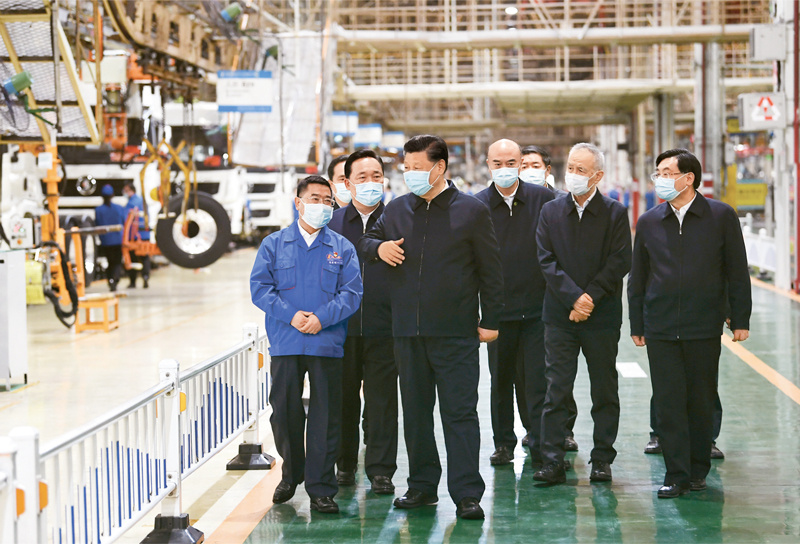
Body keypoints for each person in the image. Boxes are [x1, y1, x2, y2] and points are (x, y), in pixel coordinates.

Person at [358, 134, 504, 520]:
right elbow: (366, 240)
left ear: (439, 168)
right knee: (416, 414)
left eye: (418, 168)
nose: (410, 174)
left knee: (460, 414)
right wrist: (378, 248)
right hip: (407, 333)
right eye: (406, 168)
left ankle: (467, 493)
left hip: (455, 333)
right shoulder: (397, 209)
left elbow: (491, 270)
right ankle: (422, 486)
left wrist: (491, 320)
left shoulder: (471, 211)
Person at [628, 148, 751, 498]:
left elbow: (736, 270)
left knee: (700, 400)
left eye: (667, 173)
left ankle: (698, 470)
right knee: (668, 403)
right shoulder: (650, 221)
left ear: (688, 178)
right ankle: (676, 474)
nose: (660, 179)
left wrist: (740, 318)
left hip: (703, 324)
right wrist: (637, 323)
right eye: (658, 173)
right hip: (661, 325)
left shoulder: (720, 216)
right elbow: (638, 276)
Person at [250, 175, 362, 514]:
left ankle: (321, 486)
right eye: (315, 198)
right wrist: (291, 315)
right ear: (298, 202)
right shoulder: (274, 244)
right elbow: (260, 288)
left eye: (328, 200)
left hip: (326, 342)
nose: (322, 205)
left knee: (326, 416)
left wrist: (322, 319)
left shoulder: (342, 248)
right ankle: (292, 473)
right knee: (284, 412)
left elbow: (352, 293)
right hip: (287, 341)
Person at [534, 143, 632, 485]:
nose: (572, 174)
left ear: (597, 176)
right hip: (559, 317)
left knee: (604, 390)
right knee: (556, 390)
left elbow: (620, 260)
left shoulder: (615, 213)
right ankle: (552, 460)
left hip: (601, 317)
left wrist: (590, 298)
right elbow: (546, 260)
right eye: (571, 167)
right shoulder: (550, 211)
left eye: (581, 170)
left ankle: (602, 458)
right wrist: (574, 298)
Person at [474, 139, 555, 469]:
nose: (504, 168)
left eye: (511, 162)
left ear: (521, 163)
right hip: (497, 311)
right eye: (497, 163)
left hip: (538, 309)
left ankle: (539, 441)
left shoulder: (544, 200)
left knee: (537, 381)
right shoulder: (476, 205)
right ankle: (503, 443)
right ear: (488, 165)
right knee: (500, 380)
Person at [328, 149, 398, 495]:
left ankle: (381, 470)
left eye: (376, 176)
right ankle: (344, 464)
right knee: (342, 398)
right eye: (362, 177)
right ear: (348, 182)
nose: (371, 183)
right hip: (341, 328)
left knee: (382, 401)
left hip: (386, 327)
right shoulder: (333, 224)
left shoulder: (399, 219)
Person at [519, 144, 579, 452]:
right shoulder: (516, 203)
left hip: (556, 297)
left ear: (546, 170)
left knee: (557, 372)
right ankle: (533, 428)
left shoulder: (560, 203)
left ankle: (564, 429)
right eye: (523, 165)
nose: (528, 170)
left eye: (534, 165)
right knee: (526, 375)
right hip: (524, 299)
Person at [95, 184, 126, 292]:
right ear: (113, 195)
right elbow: (124, 222)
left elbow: (98, 225)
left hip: (106, 241)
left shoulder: (98, 210)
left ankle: (111, 280)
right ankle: (115, 279)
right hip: (118, 240)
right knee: (117, 262)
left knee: (110, 262)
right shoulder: (119, 208)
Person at [122, 182, 151, 288]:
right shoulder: (142, 201)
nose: (125, 193)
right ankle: (145, 278)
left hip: (134, 236)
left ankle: (133, 281)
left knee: (133, 258)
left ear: (131, 190)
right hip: (145, 234)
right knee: (145, 257)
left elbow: (126, 219)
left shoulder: (132, 203)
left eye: (126, 190)